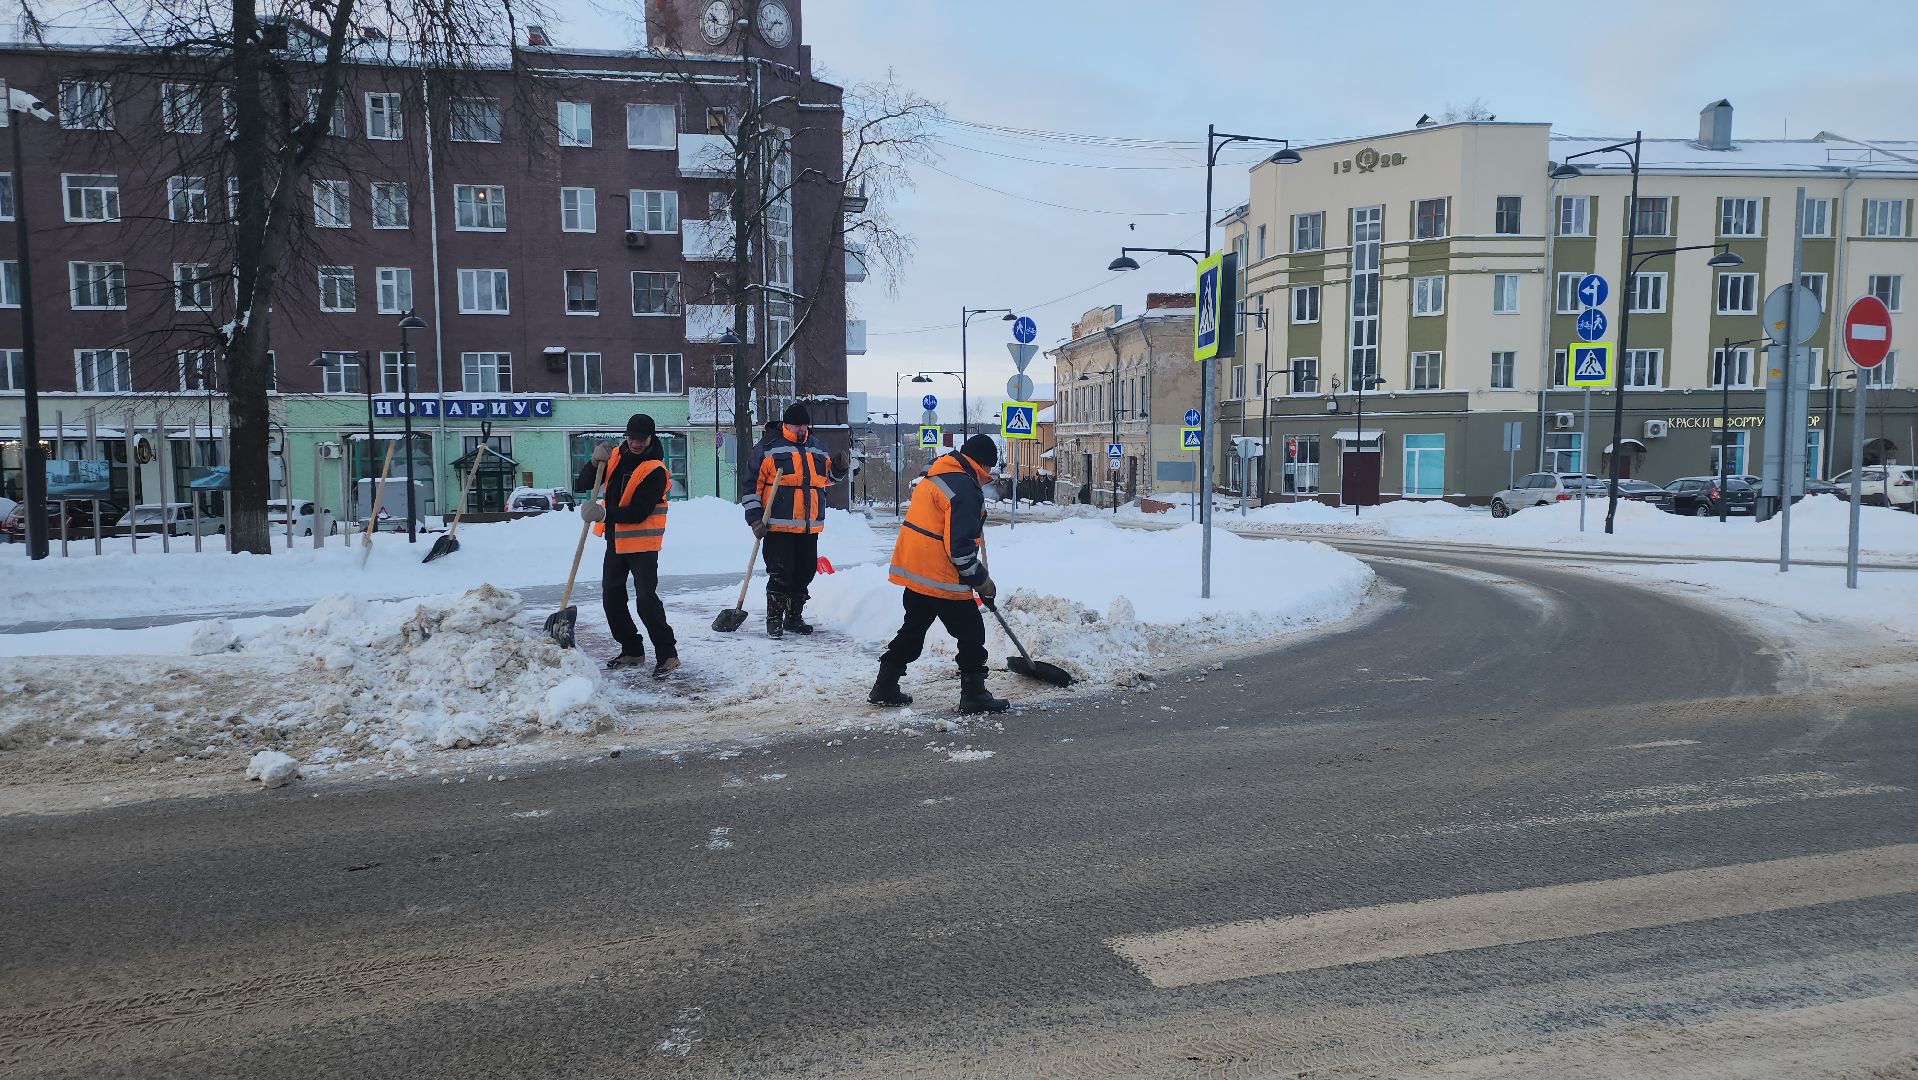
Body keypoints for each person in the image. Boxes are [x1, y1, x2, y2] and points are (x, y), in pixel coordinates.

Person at [868, 434, 1009, 714]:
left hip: (916, 571)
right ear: (982, 465)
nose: (989, 476)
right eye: (989, 469)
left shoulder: (937, 475)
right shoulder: (965, 489)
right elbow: (959, 549)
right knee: (971, 632)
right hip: (940, 574)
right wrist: (982, 581)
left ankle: (885, 684)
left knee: (913, 630)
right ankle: (974, 694)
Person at [577, 413, 678, 678]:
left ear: (650, 438)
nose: (635, 444)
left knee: (646, 600)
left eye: (641, 439)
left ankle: (667, 653)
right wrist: (593, 462)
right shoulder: (616, 458)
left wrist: (603, 515)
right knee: (611, 597)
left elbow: (639, 511)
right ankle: (632, 648)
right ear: (626, 436)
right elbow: (585, 483)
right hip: (615, 540)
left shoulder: (656, 470)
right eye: (631, 438)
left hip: (643, 544)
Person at [742, 403, 850, 638]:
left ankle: (793, 617)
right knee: (781, 573)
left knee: (805, 572)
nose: (801, 429)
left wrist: (839, 468)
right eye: (796, 425)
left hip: (809, 526)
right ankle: (774, 620)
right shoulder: (769, 448)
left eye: (804, 425)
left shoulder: (817, 447)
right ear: (786, 424)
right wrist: (754, 519)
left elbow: (826, 479)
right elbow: (751, 486)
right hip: (778, 525)